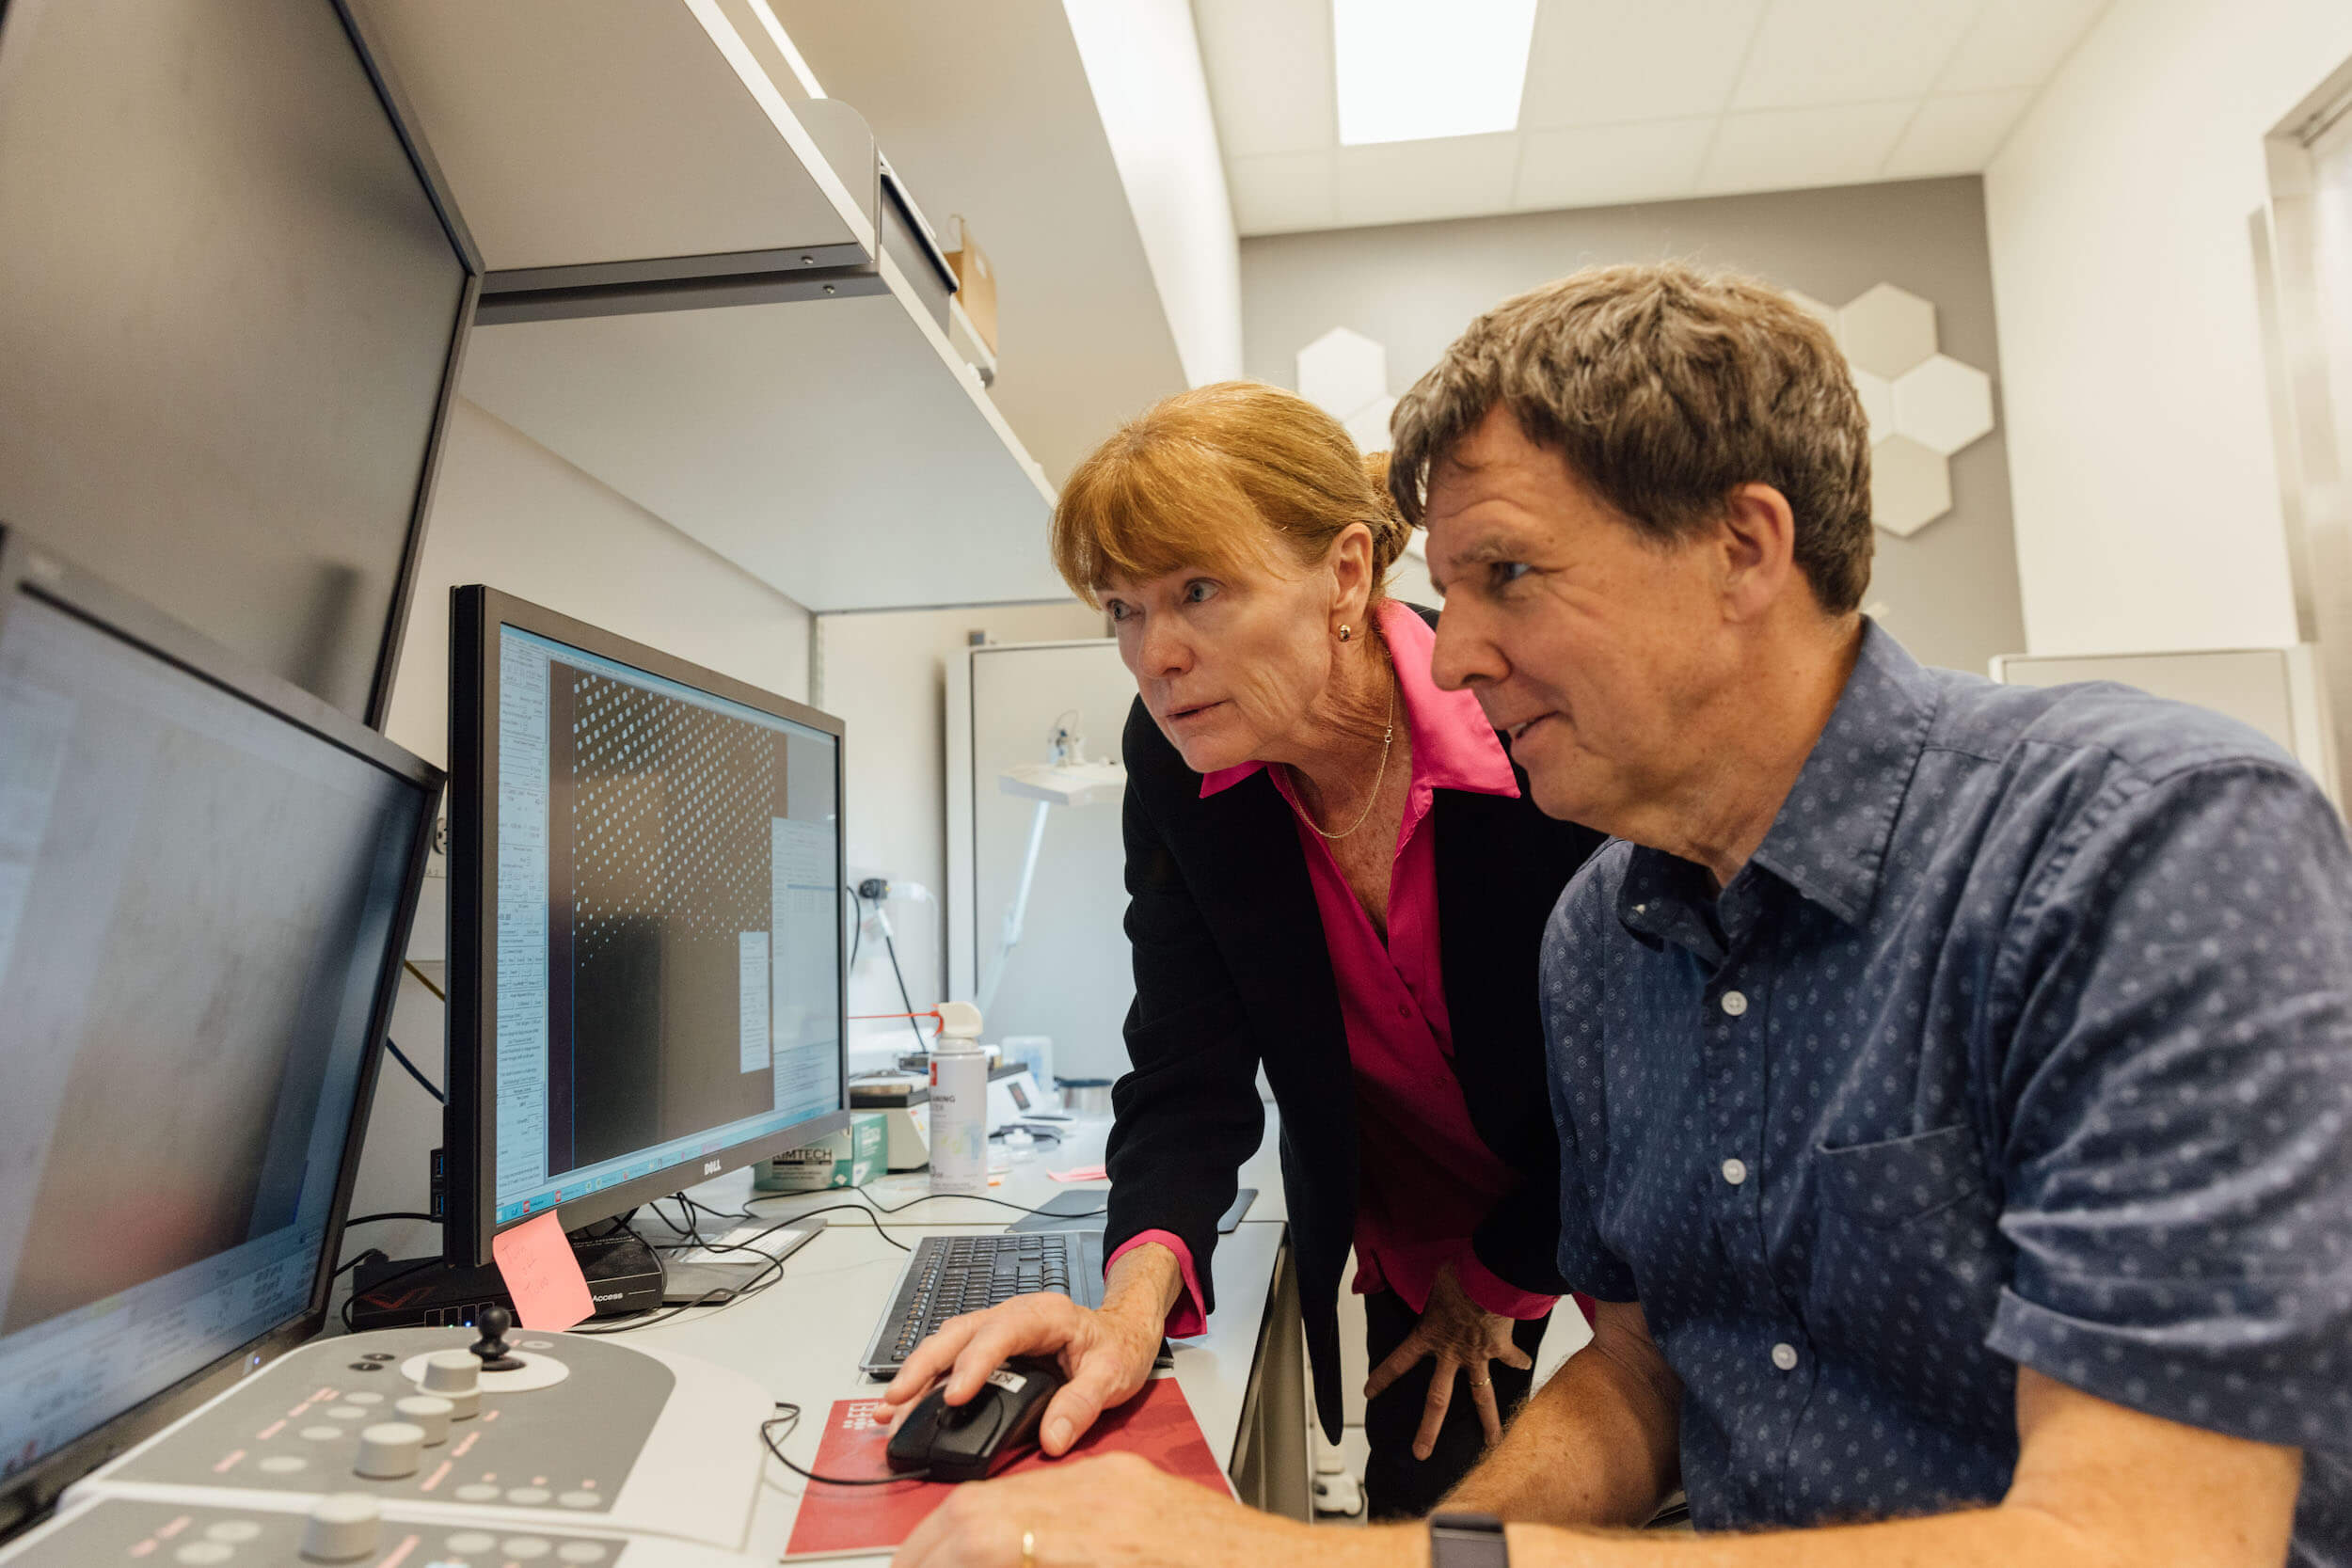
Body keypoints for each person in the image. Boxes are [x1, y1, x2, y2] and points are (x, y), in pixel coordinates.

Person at [883, 263, 2352, 1568]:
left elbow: (2146, 1538)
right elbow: (1650, 1371)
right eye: (1448, 588)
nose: (1451, 654)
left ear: (1744, 548)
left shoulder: (2146, 848)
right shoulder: (1615, 927)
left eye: (1505, 575)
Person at [879, 381, 1605, 1517]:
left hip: (1617, 1166)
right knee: (1426, 1510)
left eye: (1198, 592)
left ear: (1347, 576)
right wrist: (1126, 1309)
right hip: (1414, 1222)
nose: (1153, 654)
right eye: (1121, 608)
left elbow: (1629, 1074)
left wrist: (1499, 1280)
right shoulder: (1177, 762)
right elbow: (1185, 1064)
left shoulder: (1522, 727)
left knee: (1710, 1462)